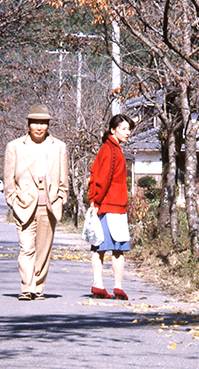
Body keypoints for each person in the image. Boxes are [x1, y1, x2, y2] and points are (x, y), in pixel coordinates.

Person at [3, 104, 69, 301]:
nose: (39, 127)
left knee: (43, 250)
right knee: (26, 248)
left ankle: (38, 288)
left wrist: (61, 198)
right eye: (35, 123)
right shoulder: (14, 146)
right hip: (23, 205)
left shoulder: (59, 147)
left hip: (49, 205)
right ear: (28, 124)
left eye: (43, 123)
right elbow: (8, 180)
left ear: (48, 125)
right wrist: (13, 200)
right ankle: (26, 287)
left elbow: (64, 180)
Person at [87, 114, 134, 300]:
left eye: (129, 129)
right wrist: (95, 202)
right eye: (124, 128)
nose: (128, 132)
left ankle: (104, 286)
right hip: (109, 206)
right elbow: (101, 178)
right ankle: (112, 286)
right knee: (113, 248)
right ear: (113, 130)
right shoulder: (110, 150)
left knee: (103, 247)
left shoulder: (112, 148)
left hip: (111, 206)